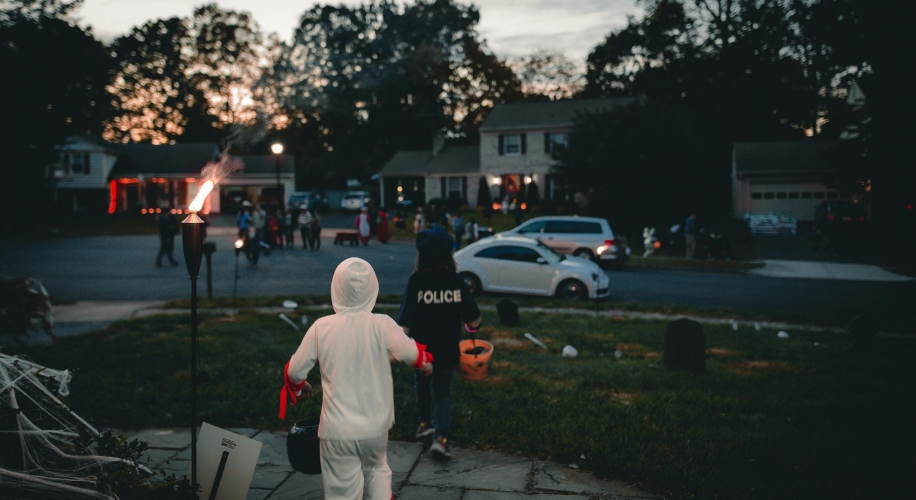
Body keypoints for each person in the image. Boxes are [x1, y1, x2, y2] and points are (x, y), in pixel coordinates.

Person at [281, 258, 434, 500]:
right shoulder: (382, 324)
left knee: (342, 488)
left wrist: (299, 387)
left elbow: (294, 372)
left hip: (337, 430)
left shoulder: (321, 328)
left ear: (336, 289)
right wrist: (424, 363)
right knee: (377, 469)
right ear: (373, 289)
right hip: (374, 428)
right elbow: (410, 352)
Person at [397, 228, 482, 459]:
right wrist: (471, 326)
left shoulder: (416, 282)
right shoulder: (457, 282)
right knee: (442, 392)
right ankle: (441, 439)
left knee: (422, 384)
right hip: (446, 350)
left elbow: (403, 324)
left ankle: (425, 423)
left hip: (421, 351)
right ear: (449, 256)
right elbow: (474, 319)